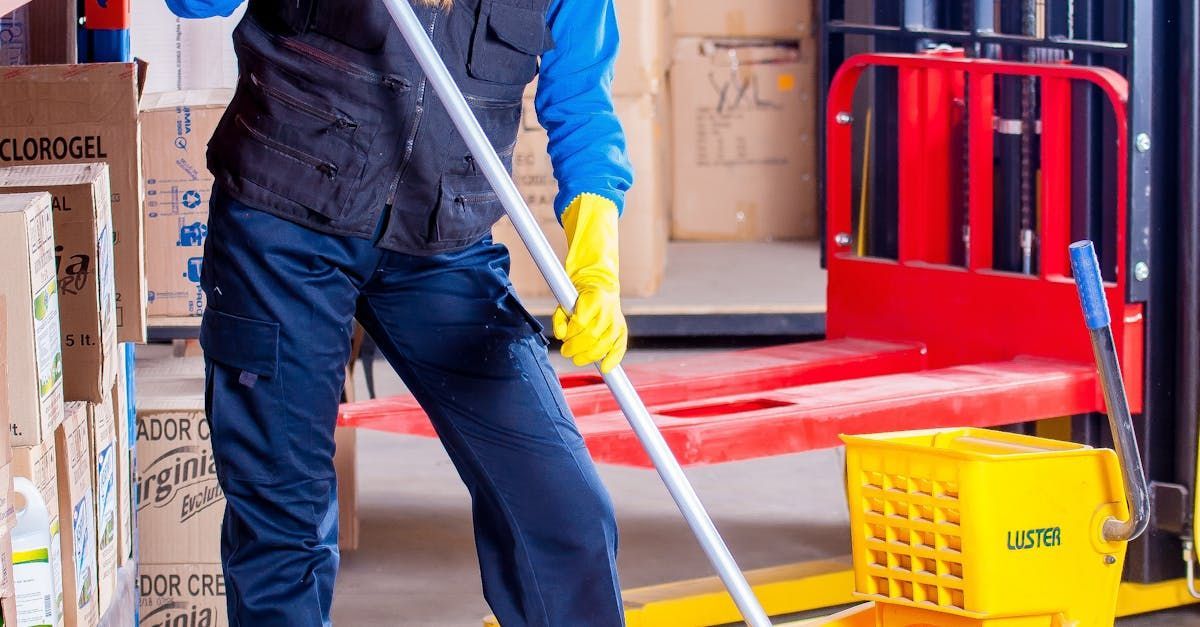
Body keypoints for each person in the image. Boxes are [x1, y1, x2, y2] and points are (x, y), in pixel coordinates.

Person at [164, 0, 634, 625]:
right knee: (284, 522)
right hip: (283, 223)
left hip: (445, 247)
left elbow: (581, 104)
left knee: (562, 508)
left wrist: (595, 254)